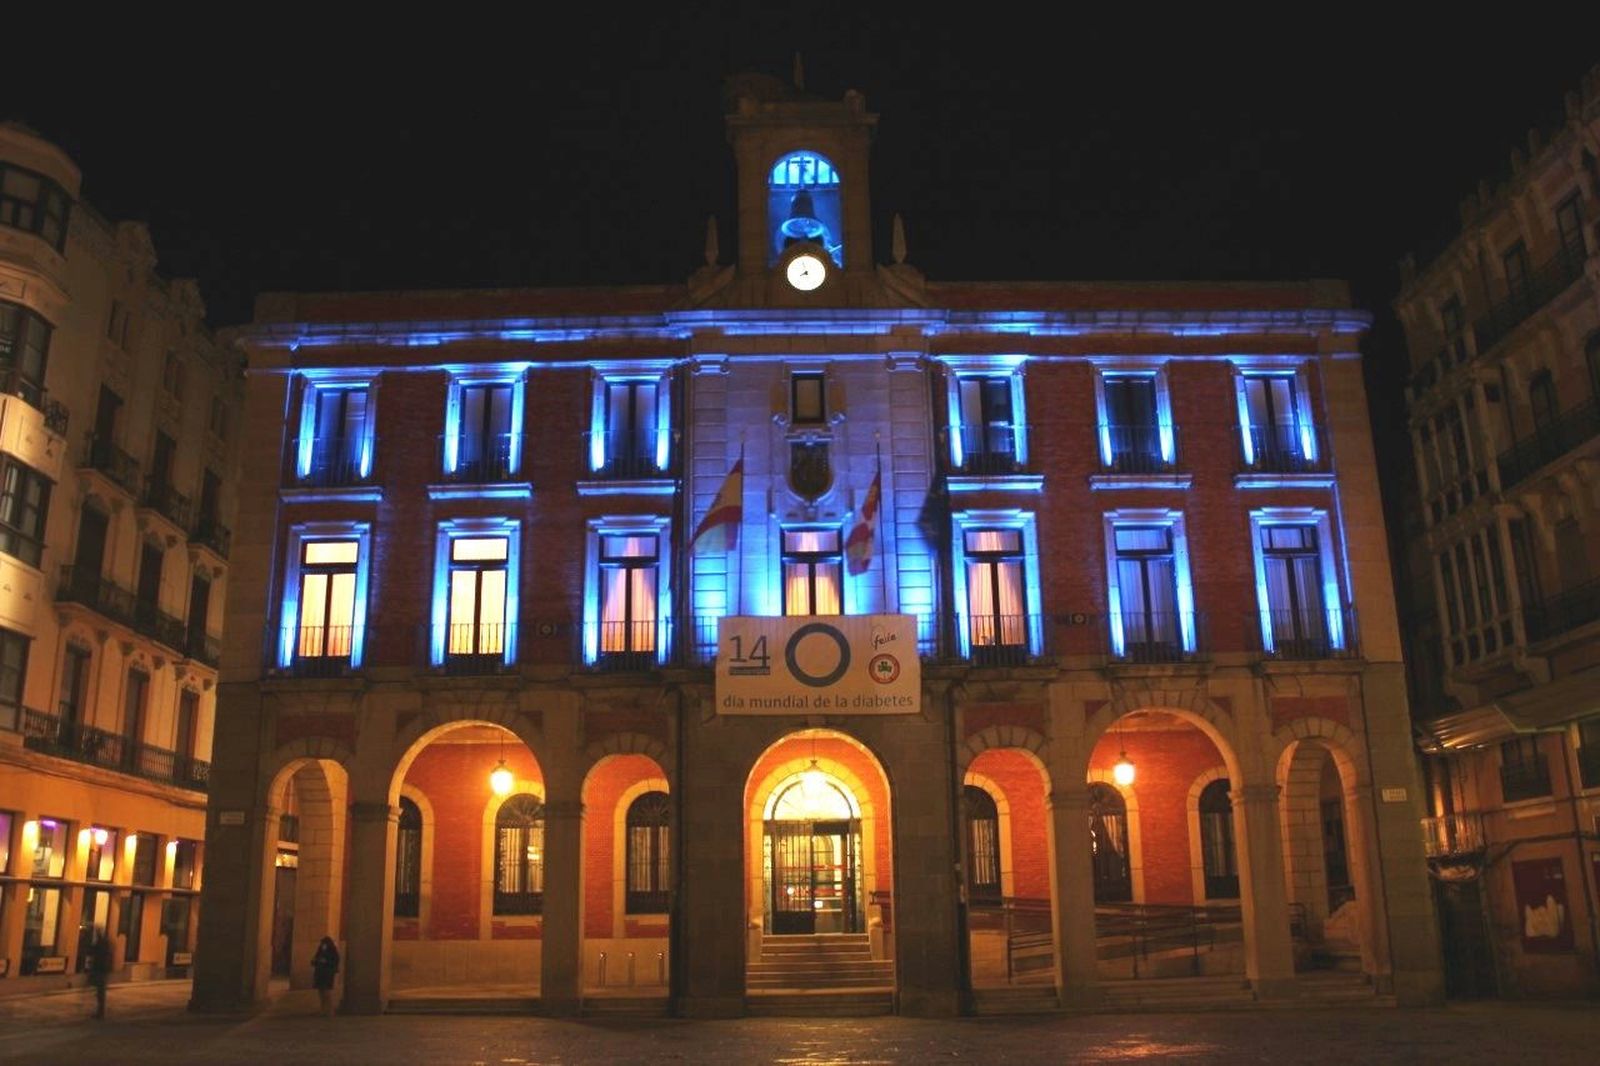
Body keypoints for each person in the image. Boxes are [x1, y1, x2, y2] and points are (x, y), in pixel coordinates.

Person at [311, 936, 340, 1016]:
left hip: (327, 974)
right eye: (322, 944)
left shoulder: (332, 952)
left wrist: (325, 962)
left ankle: (330, 1010)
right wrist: (316, 961)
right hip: (320, 973)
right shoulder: (320, 951)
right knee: (321, 993)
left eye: (324, 944)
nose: (323, 945)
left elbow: (335, 962)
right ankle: (323, 1009)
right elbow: (314, 960)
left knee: (327, 993)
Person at [86, 931, 112, 1020]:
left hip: (99, 970)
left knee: (100, 992)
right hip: (102, 970)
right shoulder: (105, 945)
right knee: (100, 992)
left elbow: (91, 951)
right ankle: (100, 1011)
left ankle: (100, 1012)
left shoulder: (100, 945)